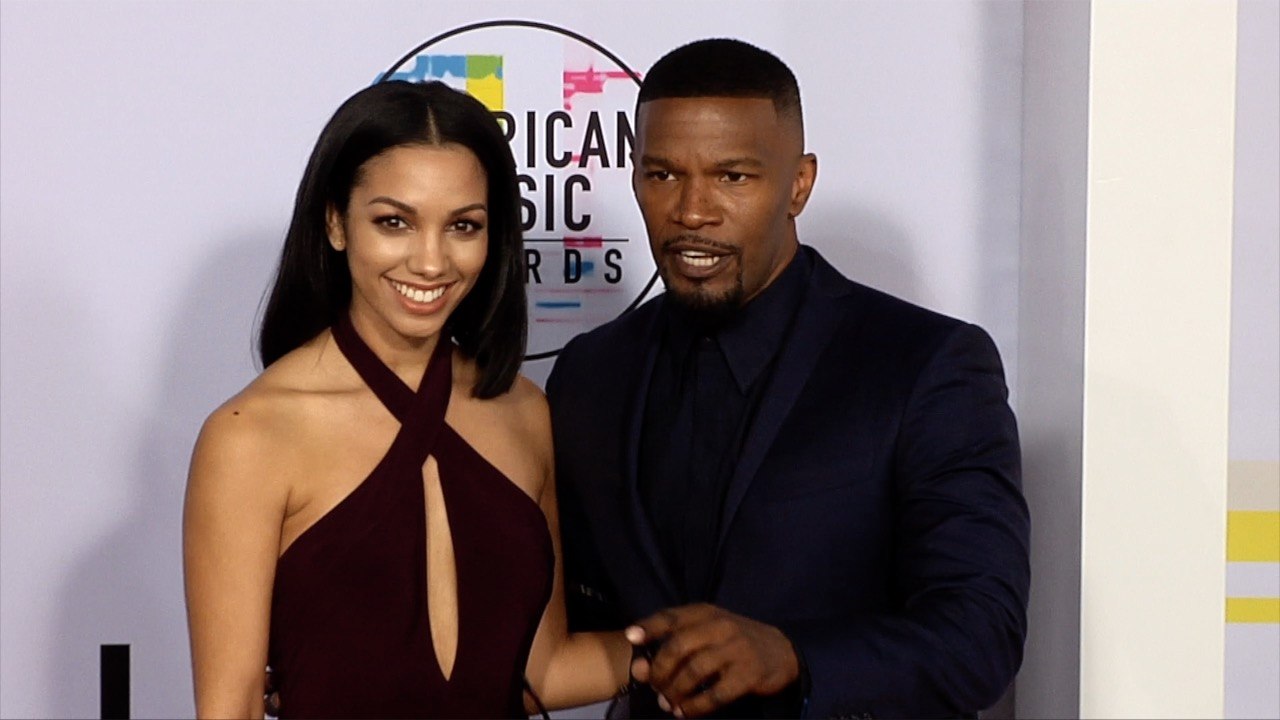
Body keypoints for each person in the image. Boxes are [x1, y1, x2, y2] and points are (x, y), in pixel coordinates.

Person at [546, 39, 1031, 718]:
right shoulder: (592, 371)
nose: (692, 210)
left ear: (798, 184)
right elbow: (565, 609)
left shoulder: (926, 364)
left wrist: (792, 655)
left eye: (732, 177)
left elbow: (981, 636)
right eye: (662, 175)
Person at [183, 80, 629, 719]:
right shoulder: (251, 435)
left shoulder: (523, 411)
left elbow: (546, 670)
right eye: (394, 222)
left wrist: (665, 652)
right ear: (337, 222)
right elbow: (231, 708)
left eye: (463, 226)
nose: (430, 261)